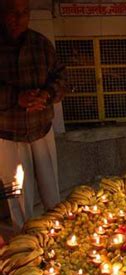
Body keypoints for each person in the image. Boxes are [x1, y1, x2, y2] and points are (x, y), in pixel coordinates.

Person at [0, 0, 66, 231]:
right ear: (2, 14)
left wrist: (46, 94)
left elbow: (61, 79)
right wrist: (15, 98)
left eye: (24, 13)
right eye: (12, 12)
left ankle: (57, 231)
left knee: (51, 188)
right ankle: (25, 238)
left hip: (41, 129)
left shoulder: (41, 44)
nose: (18, 19)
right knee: (18, 192)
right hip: (8, 134)